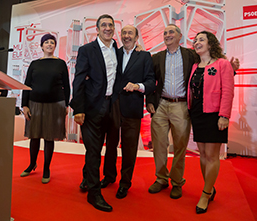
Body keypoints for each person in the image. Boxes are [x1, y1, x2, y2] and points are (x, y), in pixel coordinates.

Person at [146, 24, 239, 199]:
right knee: (159, 145)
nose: (167, 35)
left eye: (171, 32)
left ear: (180, 36)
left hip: (181, 106)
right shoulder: (156, 57)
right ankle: (161, 178)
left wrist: (231, 70)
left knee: (180, 146)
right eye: (165, 32)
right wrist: (150, 101)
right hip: (160, 105)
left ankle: (177, 181)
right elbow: (151, 80)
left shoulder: (191, 55)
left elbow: (213, 68)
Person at [101, 25, 155, 199]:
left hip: (133, 107)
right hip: (113, 106)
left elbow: (151, 82)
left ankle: (125, 183)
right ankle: (109, 176)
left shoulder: (145, 56)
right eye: (124, 33)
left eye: (130, 33)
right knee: (110, 144)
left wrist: (137, 86)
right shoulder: (114, 52)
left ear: (136, 37)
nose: (126, 36)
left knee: (129, 148)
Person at [70, 14, 117, 212]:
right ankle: (94, 193)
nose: (107, 28)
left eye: (110, 25)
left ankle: (86, 178)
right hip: (91, 108)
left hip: (113, 107)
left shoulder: (118, 50)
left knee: (103, 148)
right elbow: (79, 80)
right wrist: (78, 109)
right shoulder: (87, 50)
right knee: (94, 150)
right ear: (97, 29)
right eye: (103, 25)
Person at [187, 31, 234, 214]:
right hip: (198, 114)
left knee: (212, 156)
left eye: (201, 39)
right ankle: (210, 187)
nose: (197, 42)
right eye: (195, 40)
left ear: (210, 44)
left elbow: (228, 90)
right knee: (203, 154)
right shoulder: (195, 66)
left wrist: (224, 115)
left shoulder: (223, 64)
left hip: (215, 114)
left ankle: (206, 193)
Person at [20, 33, 70, 184]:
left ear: (55, 46)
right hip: (34, 103)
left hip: (55, 104)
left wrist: (66, 104)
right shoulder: (34, 64)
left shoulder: (61, 63)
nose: (49, 44)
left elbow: (67, 86)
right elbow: (26, 85)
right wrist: (25, 104)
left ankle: (47, 168)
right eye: (46, 42)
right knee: (34, 136)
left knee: (49, 137)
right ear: (41, 46)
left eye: (52, 42)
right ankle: (31, 164)